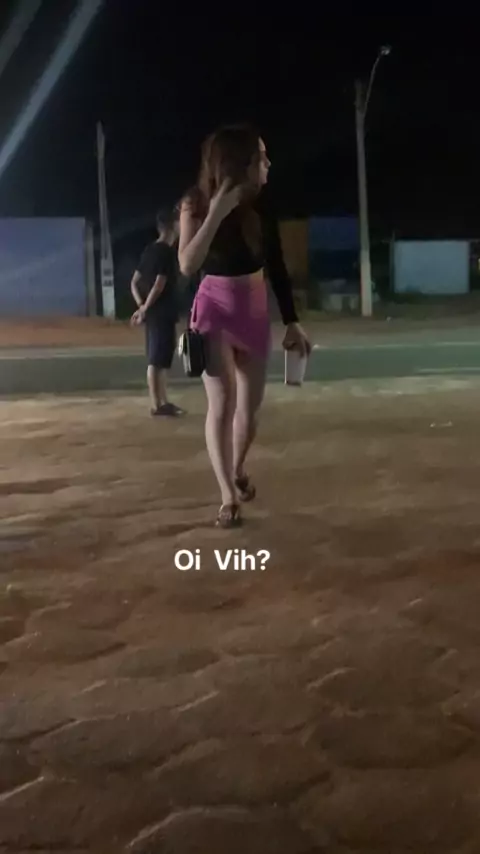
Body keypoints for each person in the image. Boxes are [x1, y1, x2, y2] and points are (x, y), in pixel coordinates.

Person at [178, 123, 310, 528]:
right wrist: (218, 211)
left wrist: (292, 321)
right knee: (222, 404)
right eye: (261, 157)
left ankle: (236, 469)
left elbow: (277, 266)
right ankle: (227, 497)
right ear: (240, 163)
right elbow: (187, 264)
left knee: (248, 413)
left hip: (252, 309)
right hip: (213, 308)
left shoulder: (263, 205)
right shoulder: (195, 203)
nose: (268, 163)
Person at [130, 209, 185, 417]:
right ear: (172, 226)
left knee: (161, 360)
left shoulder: (149, 250)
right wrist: (145, 308)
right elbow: (159, 284)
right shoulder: (166, 252)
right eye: (179, 222)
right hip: (162, 313)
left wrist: (141, 306)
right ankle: (157, 405)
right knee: (156, 360)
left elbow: (134, 282)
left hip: (154, 313)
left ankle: (163, 401)